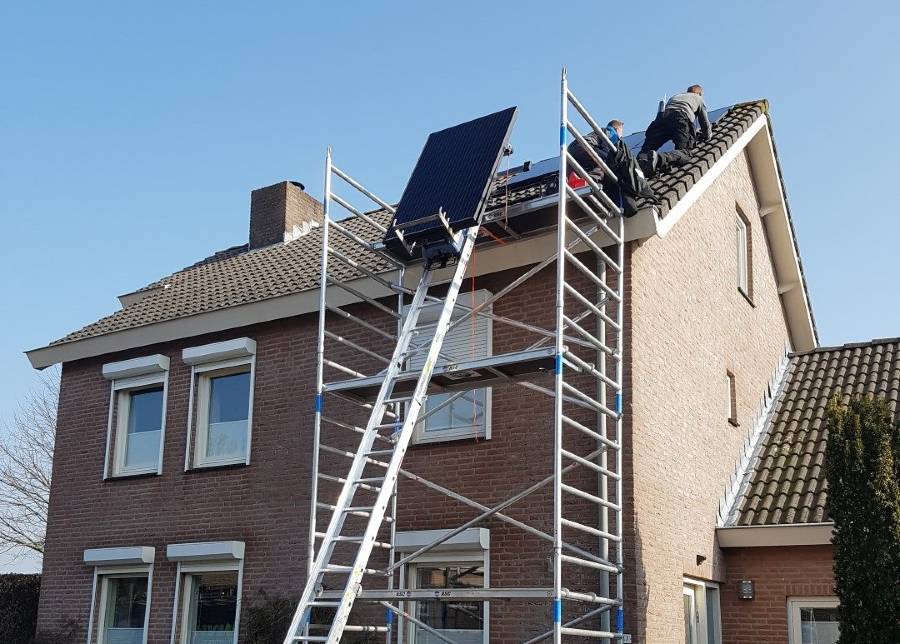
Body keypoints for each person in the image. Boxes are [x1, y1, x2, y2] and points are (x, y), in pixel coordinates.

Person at [639, 84, 712, 154]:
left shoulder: (676, 96)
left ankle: (640, 162)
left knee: (646, 150)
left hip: (661, 118)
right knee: (684, 152)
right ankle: (659, 158)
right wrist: (707, 135)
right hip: (679, 118)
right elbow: (704, 122)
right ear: (699, 93)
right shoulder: (699, 98)